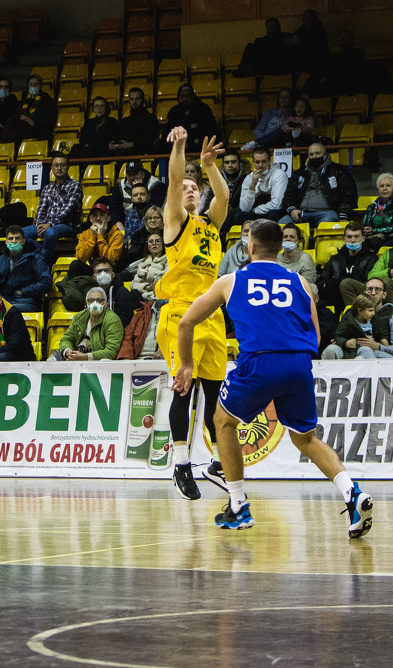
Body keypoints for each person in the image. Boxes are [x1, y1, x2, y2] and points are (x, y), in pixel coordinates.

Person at [174, 219, 372, 536]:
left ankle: (238, 505)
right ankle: (352, 492)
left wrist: (186, 365)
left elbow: (186, 323)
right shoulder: (300, 282)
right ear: (281, 248)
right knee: (305, 438)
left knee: (223, 421)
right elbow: (316, 333)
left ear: (250, 247)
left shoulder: (230, 281)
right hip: (298, 363)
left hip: (260, 361)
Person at [154, 126, 230, 503]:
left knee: (215, 394)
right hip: (180, 317)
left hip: (212, 318)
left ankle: (218, 461)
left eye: (193, 187)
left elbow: (224, 196)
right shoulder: (175, 222)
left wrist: (210, 166)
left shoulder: (211, 225)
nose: (189, 190)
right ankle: (181, 464)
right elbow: (173, 179)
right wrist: (181, 147)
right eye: (184, 187)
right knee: (184, 390)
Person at [282, 142, 356, 225]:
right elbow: (289, 195)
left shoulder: (339, 171)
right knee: (283, 222)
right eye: (311, 154)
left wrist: (343, 215)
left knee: (327, 221)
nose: (314, 157)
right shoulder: (299, 173)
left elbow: (348, 195)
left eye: (317, 153)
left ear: (325, 155)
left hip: (327, 213)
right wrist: (292, 210)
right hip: (301, 213)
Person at [0, 224, 53, 312]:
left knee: (6, 311)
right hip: (4, 300)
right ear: (6, 242)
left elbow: (46, 282)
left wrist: (23, 291)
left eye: (17, 238)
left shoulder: (35, 258)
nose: (14, 241)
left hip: (26, 301)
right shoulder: (1, 260)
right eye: (11, 238)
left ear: (23, 241)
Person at [32, 154, 83, 265]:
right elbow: (41, 209)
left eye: (62, 165)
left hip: (67, 225)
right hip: (46, 225)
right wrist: (39, 223)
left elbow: (66, 211)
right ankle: (35, 257)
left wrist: (50, 224)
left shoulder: (75, 186)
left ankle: (41, 264)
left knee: (50, 233)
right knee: (22, 233)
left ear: (68, 167)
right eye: (56, 165)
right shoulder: (47, 188)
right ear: (52, 167)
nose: (59, 168)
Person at [51, 286, 123, 361]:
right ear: (86, 303)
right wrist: (68, 352)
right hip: (76, 354)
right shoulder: (79, 317)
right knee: (56, 355)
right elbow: (67, 339)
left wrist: (85, 357)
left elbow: (111, 352)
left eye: (99, 300)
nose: (95, 304)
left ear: (106, 303)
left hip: (96, 359)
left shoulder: (113, 320)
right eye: (91, 300)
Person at [321, 222, 376, 309]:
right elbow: (324, 279)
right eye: (349, 237)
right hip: (336, 298)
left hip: (360, 297)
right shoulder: (335, 259)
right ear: (345, 239)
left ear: (363, 238)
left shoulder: (371, 258)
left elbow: (368, 284)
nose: (353, 240)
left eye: (356, 236)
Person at [324, 293, 392, 359]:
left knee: (390, 358)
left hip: (370, 349)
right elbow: (338, 336)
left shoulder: (373, 320)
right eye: (370, 311)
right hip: (352, 350)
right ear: (360, 310)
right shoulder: (348, 320)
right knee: (331, 349)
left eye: (374, 310)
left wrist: (382, 339)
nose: (373, 313)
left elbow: (378, 333)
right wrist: (346, 343)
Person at [235, 148, 287, 224]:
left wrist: (255, 210)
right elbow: (244, 208)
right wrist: (253, 185)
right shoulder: (249, 178)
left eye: (263, 162)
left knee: (273, 213)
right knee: (240, 216)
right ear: (253, 162)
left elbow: (276, 205)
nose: (260, 165)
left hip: (271, 212)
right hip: (255, 212)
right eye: (257, 162)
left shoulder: (279, 174)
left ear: (269, 161)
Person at [2, 74, 56, 143]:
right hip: (23, 127)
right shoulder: (24, 100)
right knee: (13, 129)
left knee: (13, 126)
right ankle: (5, 146)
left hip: (37, 129)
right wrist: (23, 118)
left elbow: (48, 119)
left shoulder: (47, 100)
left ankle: (4, 145)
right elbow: (15, 115)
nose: (33, 86)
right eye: (31, 84)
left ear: (40, 85)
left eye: (36, 84)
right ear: (28, 85)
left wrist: (29, 119)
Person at [164, 84, 220, 150]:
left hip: (200, 150)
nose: (185, 99)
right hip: (177, 149)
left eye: (188, 96)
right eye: (182, 96)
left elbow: (211, 133)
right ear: (178, 98)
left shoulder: (203, 109)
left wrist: (190, 144)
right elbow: (166, 134)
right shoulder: (173, 112)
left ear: (193, 96)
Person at [109, 87, 159, 156]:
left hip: (142, 154)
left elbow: (150, 140)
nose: (134, 102)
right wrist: (112, 145)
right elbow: (118, 138)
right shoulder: (124, 121)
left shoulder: (151, 119)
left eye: (137, 99)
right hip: (124, 155)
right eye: (132, 99)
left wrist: (132, 144)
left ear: (143, 100)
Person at [360, 173, 393, 246]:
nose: (384, 188)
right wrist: (364, 229)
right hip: (371, 238)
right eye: (381, 186)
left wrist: (374, 230)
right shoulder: (371, 207)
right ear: (378, 189)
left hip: (391, 239)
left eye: (388, 185)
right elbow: (363, 224)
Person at [127, 231, 168, 299]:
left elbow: (165, 278)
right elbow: (133, 285)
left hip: (161, 296)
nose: (154, 243)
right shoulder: (143, 263)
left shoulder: (168, 260)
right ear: (147, 245)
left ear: (163, 244)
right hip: (144, 296)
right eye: (151, 241)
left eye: (157, 241)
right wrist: (146, 287)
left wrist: (147, 273)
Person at [276, 222, 317, 286]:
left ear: (298, 242)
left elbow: (307, 284)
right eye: (285, 237)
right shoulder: (276, 258)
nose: (288, 239)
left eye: (292, 237)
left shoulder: (305, 259)